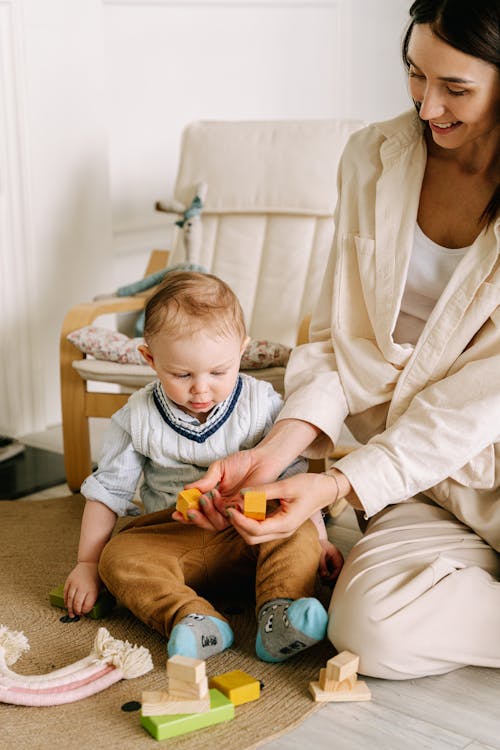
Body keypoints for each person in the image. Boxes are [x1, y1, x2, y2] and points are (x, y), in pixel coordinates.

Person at [187, 0, 500, 679]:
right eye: (415, 74)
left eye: (455, 89)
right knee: (370, 630)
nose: (425, 106)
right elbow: (335, 339)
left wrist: (334, 489)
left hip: (471, 458)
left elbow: (472, 408)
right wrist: (277, 452)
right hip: (419, 485)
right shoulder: (371, 157)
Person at [64, 271, 343, 662]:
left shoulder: (262, 404)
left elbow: (293, 480)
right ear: (150, 358)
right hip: (172, 536)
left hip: (252, 534)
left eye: (218, 372)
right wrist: (87, 563)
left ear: (241, 352)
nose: (201, 388)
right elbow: (107, 493)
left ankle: (281, 613)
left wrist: (319, 537)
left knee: (295, 534)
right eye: (182, 374)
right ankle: (194, 619)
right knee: (118, 558)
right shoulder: (136, 417)